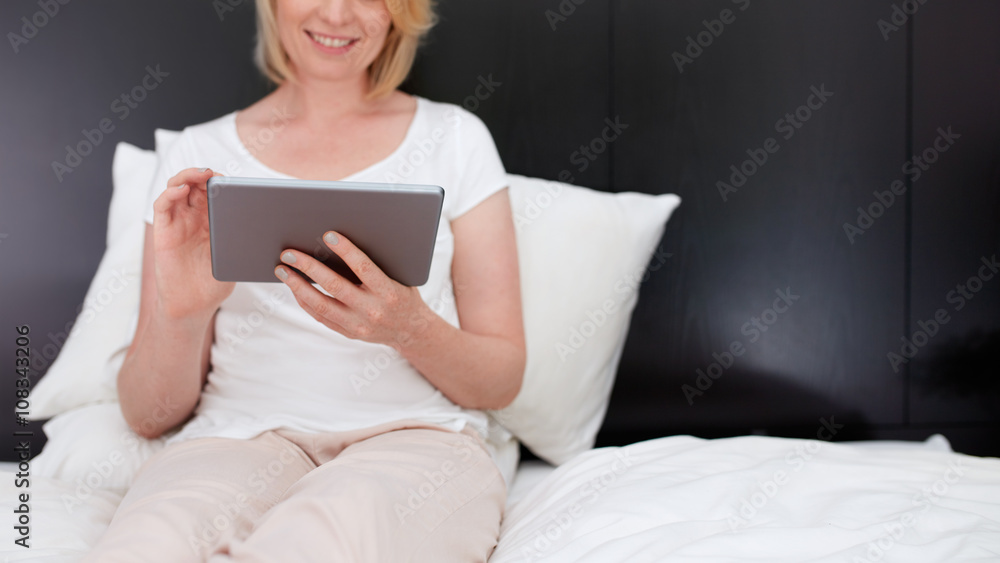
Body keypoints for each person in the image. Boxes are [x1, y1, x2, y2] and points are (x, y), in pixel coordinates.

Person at [84, 0, 525, 561]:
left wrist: (410, 328)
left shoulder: (457, 138)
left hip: (414, 442)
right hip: (233, 441)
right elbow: (146, 416)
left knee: (319, 541)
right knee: (147, 544)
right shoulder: (197, 155)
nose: (338, 14)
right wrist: (183, 314)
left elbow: (502, 380)